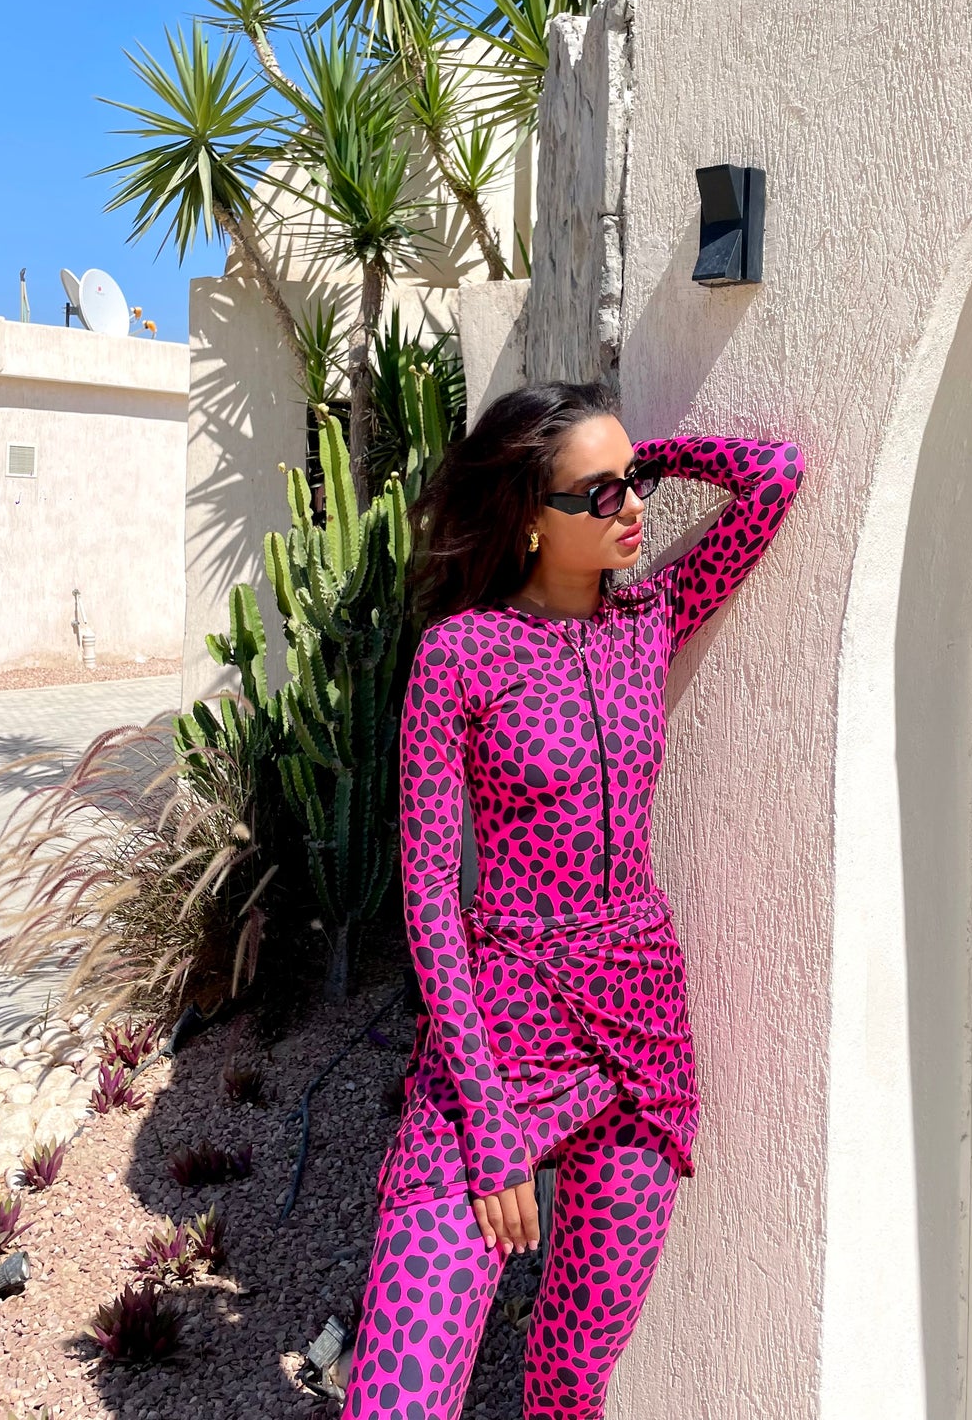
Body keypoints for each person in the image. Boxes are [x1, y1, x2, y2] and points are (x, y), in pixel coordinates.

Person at [343, 378, 806, 1419]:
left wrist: (656, 456)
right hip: (500, 1034)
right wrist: (489, 1126)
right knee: (396, 1398)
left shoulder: (653, 615)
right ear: (528, 518)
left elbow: (776, 478)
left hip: (640, 1031)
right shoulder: (460, 656)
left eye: (632, 483)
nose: (632, 507)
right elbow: (429, 896)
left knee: (569, 1380)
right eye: (599, 494)